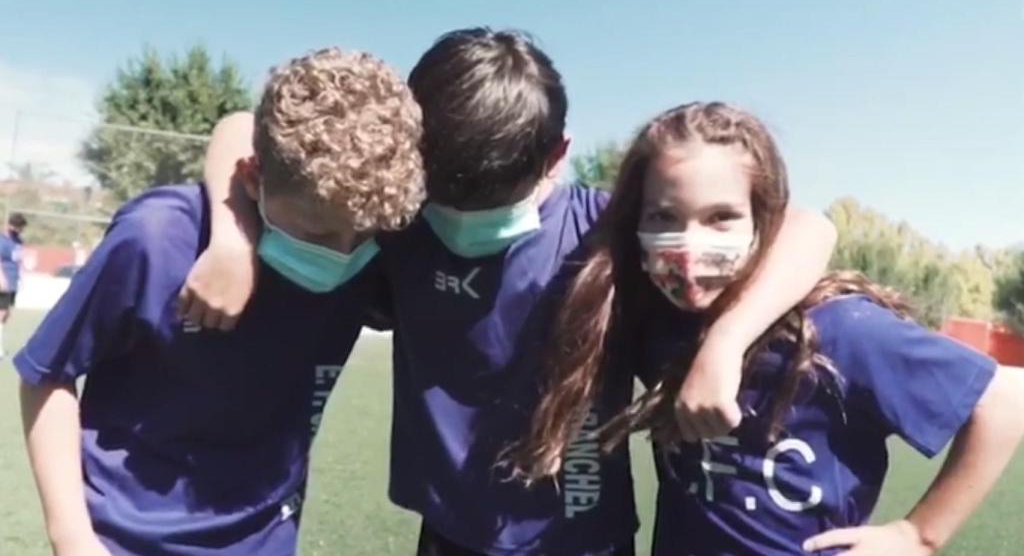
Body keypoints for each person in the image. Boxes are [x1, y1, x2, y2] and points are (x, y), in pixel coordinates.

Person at [187, 29, 837, 555]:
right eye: (443, 197)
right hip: (450, 533)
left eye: (492, 203)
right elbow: (243, 127)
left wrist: (723, 344)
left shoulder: (600, 228)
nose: (463, 223)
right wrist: (232, 238)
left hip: (584, 539)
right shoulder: (395, 216)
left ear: (558, 157)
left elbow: (810, 227)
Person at [512, 102, 1024, 556]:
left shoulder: (841, 331)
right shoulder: (658, 319)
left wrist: (919, 535)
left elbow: (1005, 400)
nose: (689, 247)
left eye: (721, 218)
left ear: (764, 222)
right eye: (664, 216)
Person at [15, 48, 424, 556]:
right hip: (120, 540)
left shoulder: (369, 238)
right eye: (317, 233)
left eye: (364, 235)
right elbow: (47, 375)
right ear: (253, 179)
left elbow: (238, 125)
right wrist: (71, 536)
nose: (341, 256)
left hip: (267, 539)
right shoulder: (158, 240)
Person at [0, 211, 28, 357]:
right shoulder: (2, 240)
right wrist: (2, 278)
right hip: (3, 281)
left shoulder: (18, 241)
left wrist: (21, 276)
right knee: (2, 312)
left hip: (13, 281)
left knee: (6, 313)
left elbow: (19, 259)